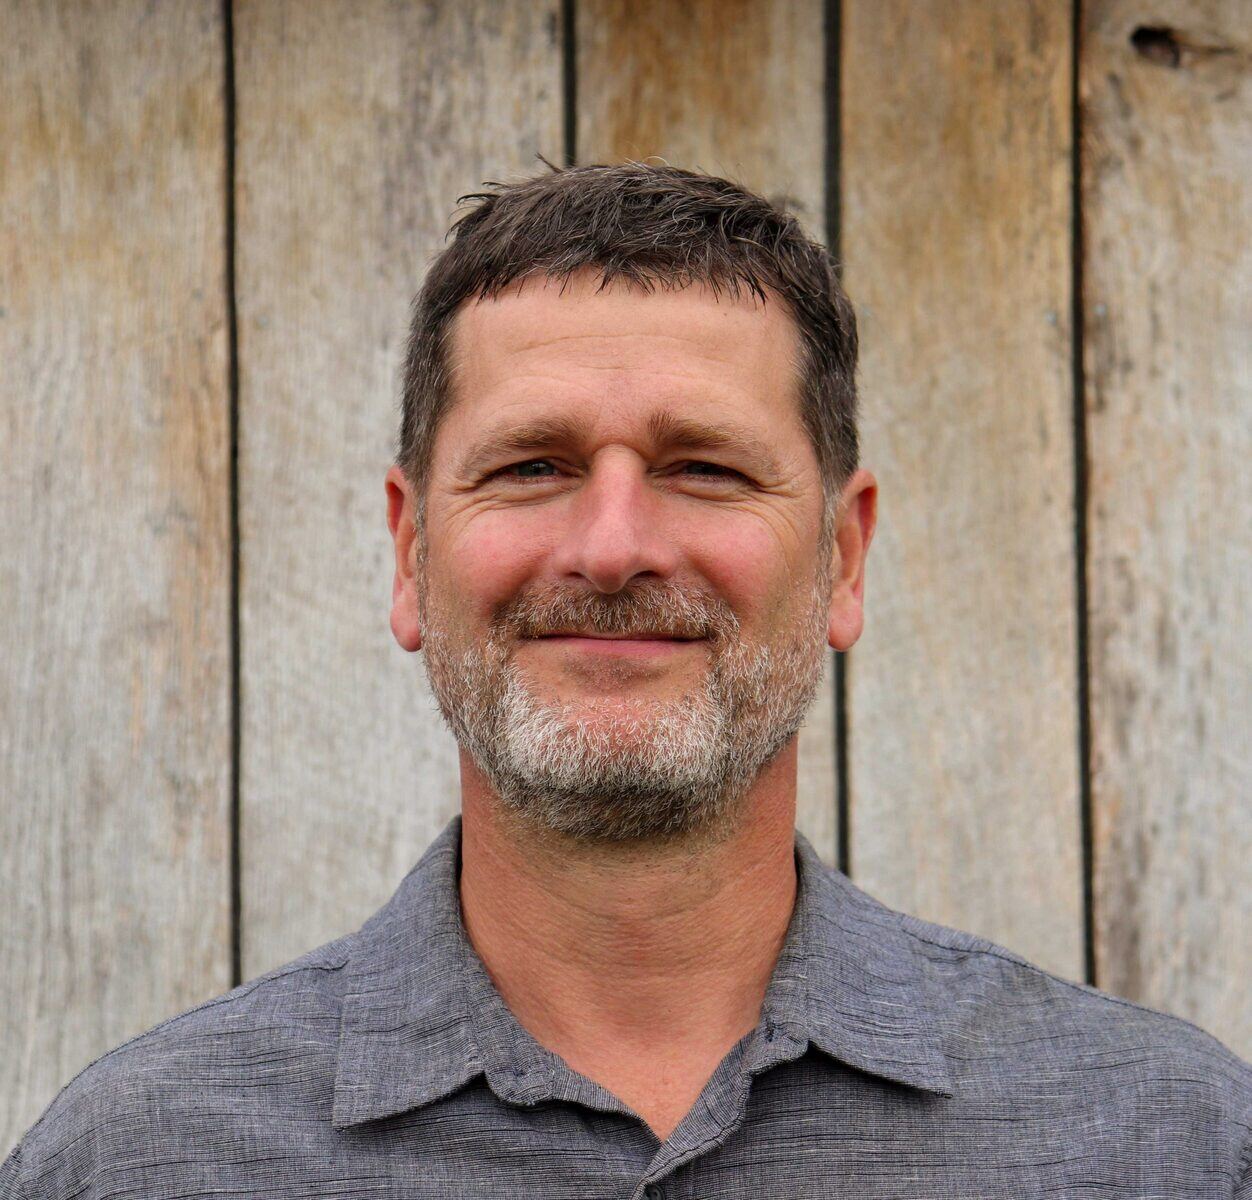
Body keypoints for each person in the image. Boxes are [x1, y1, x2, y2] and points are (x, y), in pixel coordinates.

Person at [3, 161, 1249, 1199]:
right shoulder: (144, 1160)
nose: (610, 549)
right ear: (408, 548)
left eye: (703, 467)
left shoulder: (1165, 1147)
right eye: (531, 466)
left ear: (842, 556)